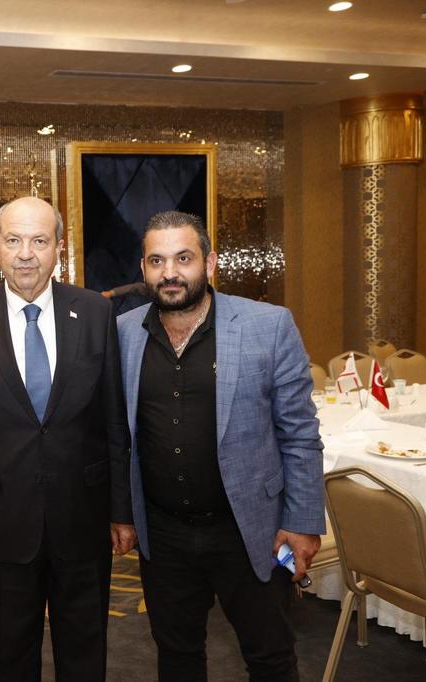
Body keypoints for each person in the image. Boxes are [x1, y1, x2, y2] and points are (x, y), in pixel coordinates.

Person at [116, 210, 324, 681]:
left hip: (249, 528)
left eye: (183, 258)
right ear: (144, 268)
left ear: (209, 264)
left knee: (270, 657)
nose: (170, 272)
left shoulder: (268, 325)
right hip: (164, 534)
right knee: (177, 655)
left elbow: (300, 433)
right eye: (157, 261)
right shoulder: (124, 333)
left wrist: (302, 521)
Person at [0, 196, 135, 681]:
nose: (26, 254)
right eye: (14, 240)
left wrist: (121, 511)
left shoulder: (95, 313)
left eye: (39, 241)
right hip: (0, 523)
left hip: (83, 518)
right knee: (11, 657)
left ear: (59, 248)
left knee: (85, 654)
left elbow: (113, 420)